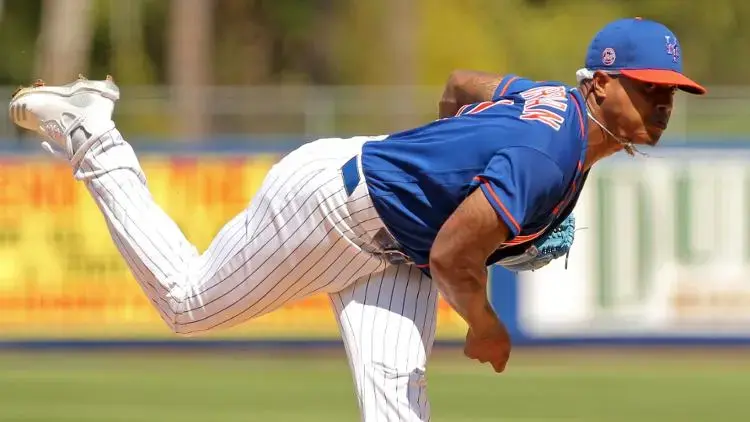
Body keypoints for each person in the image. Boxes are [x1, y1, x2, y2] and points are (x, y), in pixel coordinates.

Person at [8, 16, 705, 422]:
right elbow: (452, 261)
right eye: (649, 91)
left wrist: (442, 162)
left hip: (392, 242)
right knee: (188, 304)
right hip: (334, 208)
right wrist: (488, 326)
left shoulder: (549, 105)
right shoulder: (546, 155)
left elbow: (460, 85)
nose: (663, 106)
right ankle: (93, 130)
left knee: (399, 411)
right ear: (602, 84)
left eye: (671, 93)